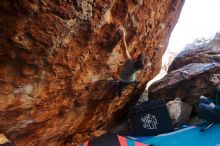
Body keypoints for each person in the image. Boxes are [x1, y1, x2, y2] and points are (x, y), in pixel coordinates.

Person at [117, 27, 146, 96]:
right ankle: (133, 83)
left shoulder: (129, 61)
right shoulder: (139, 66)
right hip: (130, 80)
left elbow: (124, 48)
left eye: (137, 54)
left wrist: (123, 35)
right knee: (132, 81)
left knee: (120, 86)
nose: (136, 52)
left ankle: (119, 94)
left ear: (136, 59)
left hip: (123, 79)